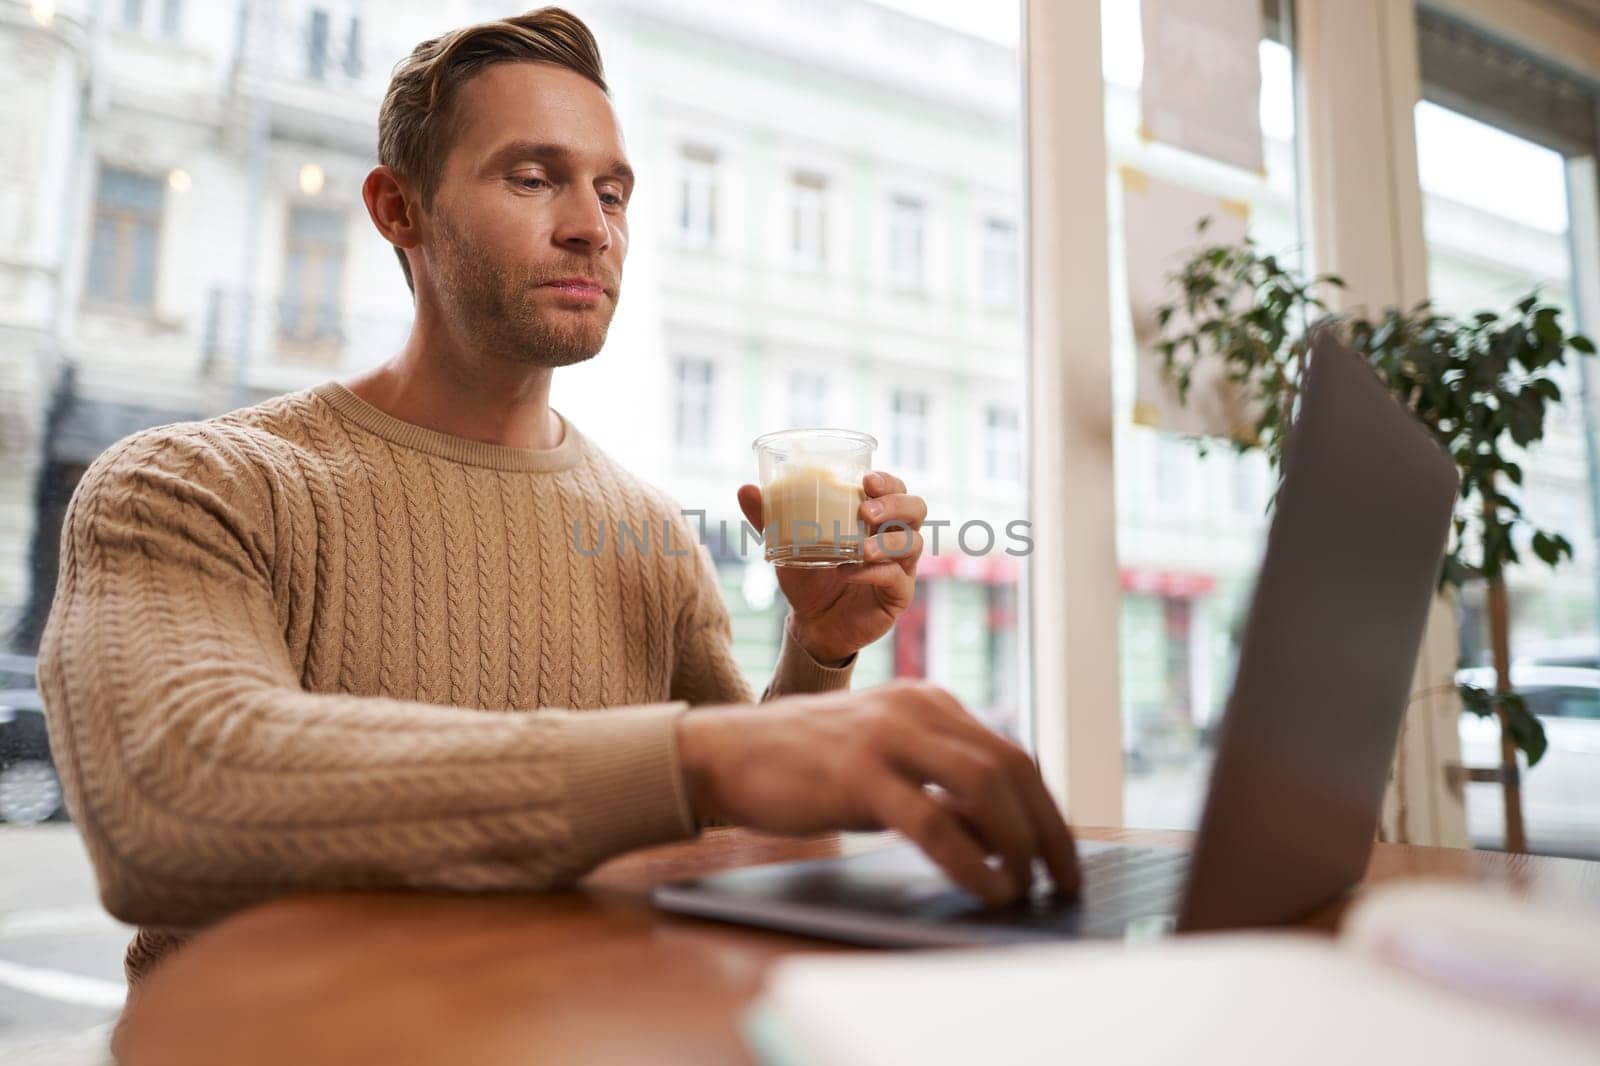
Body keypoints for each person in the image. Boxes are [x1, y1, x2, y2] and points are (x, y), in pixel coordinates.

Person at [36, 6, 1078, 991]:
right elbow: (169, 802)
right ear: (398, 208)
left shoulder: (649, 534)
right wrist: (704, 753)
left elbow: (728, 844)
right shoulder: (186, 484)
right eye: (534, 179)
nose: (592, 228)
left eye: (613, 193)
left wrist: (821, 648)